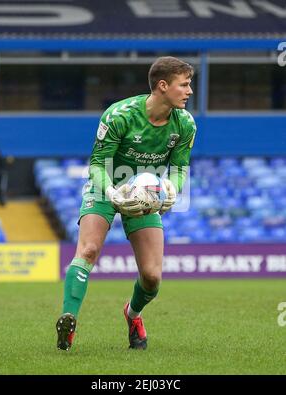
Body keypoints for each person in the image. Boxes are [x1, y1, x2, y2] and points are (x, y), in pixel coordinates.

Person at [56, 56, 197, 351]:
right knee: (89, 249)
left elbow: (180, 168)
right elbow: (96, 164)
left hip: (145, 196)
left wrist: (172, 187)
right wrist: (114, 192)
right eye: (184, 85)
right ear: (162, 85)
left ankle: (133, 315)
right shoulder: (119, 115)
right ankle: (68, 319)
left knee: (152, 277)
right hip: (106, 187)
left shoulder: (184, 124)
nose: (189, 91)